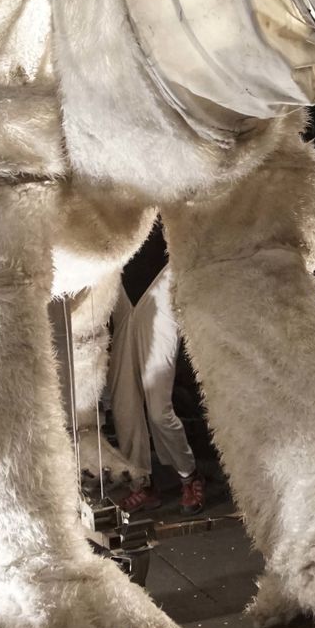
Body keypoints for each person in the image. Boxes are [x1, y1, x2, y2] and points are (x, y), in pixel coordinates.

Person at [108, 220, 207, 517]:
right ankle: (142, 484)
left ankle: (188, 475)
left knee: (158, 409)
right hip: (123, 290)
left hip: (162, 280)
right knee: (124, 406)